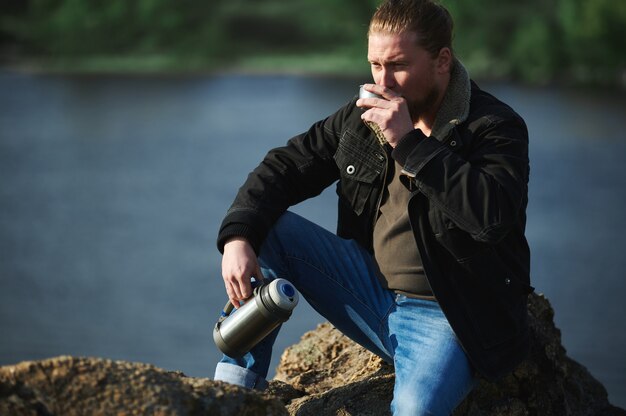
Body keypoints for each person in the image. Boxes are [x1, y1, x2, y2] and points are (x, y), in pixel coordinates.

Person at [213, 0, 533, 414]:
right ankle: (233, 393)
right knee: (267, 230)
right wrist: (237, 237)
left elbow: (491, 218)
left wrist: (410, 144)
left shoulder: (493, 126)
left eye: (398, 65)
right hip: (366, 289)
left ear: (442, 61)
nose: (383, 81)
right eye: (375, 65)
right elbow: (286, 166)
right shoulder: (362, 115)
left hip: (448, 315)